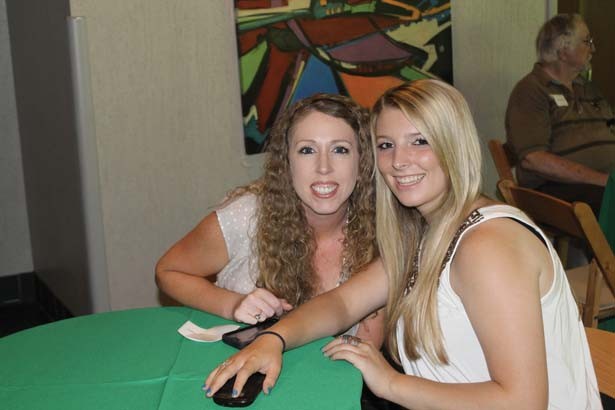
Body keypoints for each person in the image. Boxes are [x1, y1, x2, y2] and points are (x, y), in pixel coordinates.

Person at [204, 80, 601, 409]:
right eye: (386, 145)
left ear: (454, 144)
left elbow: (522, 402)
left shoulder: (487, 246)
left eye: (420, 141)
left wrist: (391, 383)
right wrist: (273, 338)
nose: (398, 161)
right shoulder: (426, 232)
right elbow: (342, 304)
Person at [155, 93, 384, 345]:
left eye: (340, 150)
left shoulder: (382, 234)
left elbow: (365, 349)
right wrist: (233, 304)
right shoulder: (247, 215)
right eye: (307, 150)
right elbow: (168, 271)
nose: (323, 167)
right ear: (286, 163)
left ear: (362, 162)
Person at [505, 13, 615, 215]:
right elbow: (533, 159)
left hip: (599, 186)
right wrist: (604, 181)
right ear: (563, 51)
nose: (593, 49)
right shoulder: (531, 90)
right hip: (555, 191)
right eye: (587, 41)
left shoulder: (589, 88)